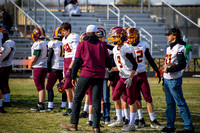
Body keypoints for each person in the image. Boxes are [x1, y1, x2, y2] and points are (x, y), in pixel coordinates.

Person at [59, 24, 111, 133]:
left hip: (86, 74)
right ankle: (96, 127)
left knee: (78, 98)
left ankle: (73, 123)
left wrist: (73, 76)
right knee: (96, 101)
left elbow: (77, 61)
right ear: (96, 33)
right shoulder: (102, 45)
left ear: (86, 33)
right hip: (99, 75)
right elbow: (108, 62)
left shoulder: (82, 44)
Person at [126, 27, 164, 129]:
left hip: (142, 74)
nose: (131, 39)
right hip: (132, 75)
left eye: (132, 37)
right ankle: (140, 119)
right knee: (137, 98)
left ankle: (153, 120)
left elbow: (149, 58)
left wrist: (156, 69)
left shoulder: (143, 45)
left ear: (137, 36)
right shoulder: (126, 46)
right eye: (129, 37)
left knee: (148, 97)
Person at [161, 28, 195, 133]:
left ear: (174, 36)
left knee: (180, 103)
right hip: (167, 80)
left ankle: (189, 127)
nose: (167, 36)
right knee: (169, 104)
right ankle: (170, 125)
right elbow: (167, 64)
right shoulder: (169, 48)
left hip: (174, 80)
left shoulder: (180, 48)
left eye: (169, 35)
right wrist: (163, 80)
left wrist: (169, 69)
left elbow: (182, 65)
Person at [107, 26, 138, 132]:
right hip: (122, 76)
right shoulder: (116, 48)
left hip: (130, 77)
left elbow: (135, 65)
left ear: (121, 37)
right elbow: (121, 65)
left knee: (130, 100)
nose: (113, 39)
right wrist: (111, 69)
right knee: (115, 96)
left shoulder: (126, 48)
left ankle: (132, 124)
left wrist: (130, 78)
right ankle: (120, 119)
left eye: (115, 37)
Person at [42, 27, 64, 113]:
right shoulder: (64, 42)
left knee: (49, 87)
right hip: (63, 68)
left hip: (54, 68)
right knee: (64, 88)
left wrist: (48, 69)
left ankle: (50, 106)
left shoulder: (53, 43)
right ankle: (63, 106)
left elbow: (49, 57)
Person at [60, 22, 79, 116]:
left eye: (64, 30)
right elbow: (66, 54)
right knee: (70, 86)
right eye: (62, 30)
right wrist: (65, 68)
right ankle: (74, 107)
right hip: (66, 61)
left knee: (67, 86)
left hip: (72, 61)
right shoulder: (64, 39)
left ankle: (72, 107)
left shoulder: (73, 37)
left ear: (69, 30)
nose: (62, 32)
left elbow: (76, 53)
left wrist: (71, 66)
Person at [29, 27, 48, 111]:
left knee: (39, 87)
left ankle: (41, 104)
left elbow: (35, 55)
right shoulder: (47, 42)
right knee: (42, 86)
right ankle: (41, 103)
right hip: (44, 66)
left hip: (38, 66)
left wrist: (30, 64)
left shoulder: (38, 44)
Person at [0, 28, 16, 107]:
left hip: (4, 65)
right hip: (7, 65)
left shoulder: (9, 43)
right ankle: (7, 100)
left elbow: (7, 54)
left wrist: (1, 58)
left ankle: (5, 102)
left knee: (3, 84)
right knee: (5, 84)